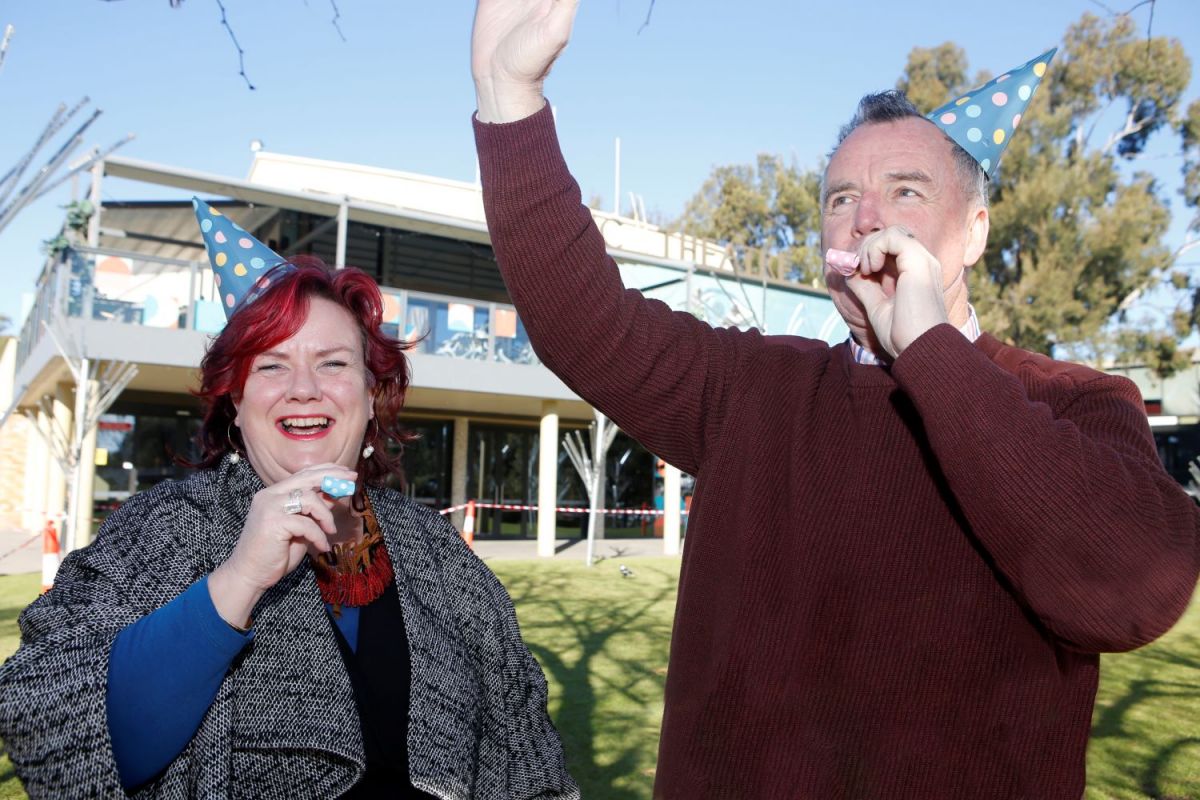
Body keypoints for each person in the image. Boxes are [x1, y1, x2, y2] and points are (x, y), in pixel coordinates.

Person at [469, 2, 1200, 797]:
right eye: (840, 198)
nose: (868, 219)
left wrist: (929, 351)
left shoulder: (1078, 403)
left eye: (907, 190)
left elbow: (1137, 591)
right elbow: (584, 320)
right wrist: (510, 98)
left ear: (978, 230)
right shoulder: (751, 388)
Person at [0, 199, 579, 800]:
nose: (304, 389)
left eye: (332, 363)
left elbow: (525, 749)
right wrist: (238, 579)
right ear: (235, 399)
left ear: (371, 390)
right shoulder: (164, 526)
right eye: (272, 365)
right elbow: (48, 725)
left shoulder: (433, 548)